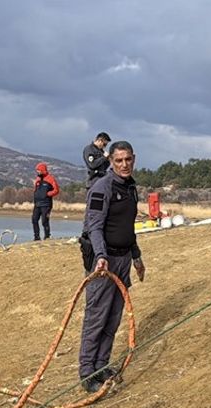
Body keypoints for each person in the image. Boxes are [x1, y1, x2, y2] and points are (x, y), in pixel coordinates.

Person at [79, 141, 145, 392]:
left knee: (113, 317)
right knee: (97, 317)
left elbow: (128, 227)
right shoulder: (101, 187)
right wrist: (100, 255)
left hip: (123, 259)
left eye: (128, 159)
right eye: (119, 160)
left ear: (133, 159)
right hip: (103, 261)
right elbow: (94, 226)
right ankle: (87, 372)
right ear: (110, 161)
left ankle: (101, 365)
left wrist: (136, 257)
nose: (124, 164)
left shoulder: (131, 188)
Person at [31, 162, 59, 241]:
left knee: (44, 221)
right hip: (37, 204)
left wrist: (48, 194)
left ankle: (47, 236)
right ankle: (36, 237)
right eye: (37, 170)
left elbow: (56, 190)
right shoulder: (37, 179)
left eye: (39, 170)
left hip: (46, 204)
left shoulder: (50, 179)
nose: (37, 172)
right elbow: (35, 189)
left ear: (43, 170)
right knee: (34, 220)